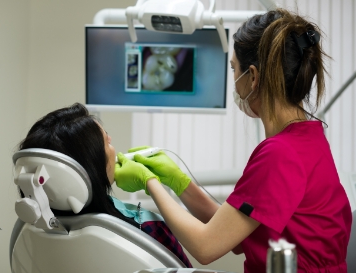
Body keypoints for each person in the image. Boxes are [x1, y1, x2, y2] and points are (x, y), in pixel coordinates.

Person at [114, 8, 352, 273]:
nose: (233, 81)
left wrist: (151, 183)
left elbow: (206, 247)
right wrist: (179, 182)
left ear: (252, 77)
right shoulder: (308, 138)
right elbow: (235, 235)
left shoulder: (279, 154)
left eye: (233, 69)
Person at [16, 102, 192, 267]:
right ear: (94, 166)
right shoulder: (148, 229)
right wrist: (150, 181)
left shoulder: (30, 232)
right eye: (107, 141)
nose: (112, 142)